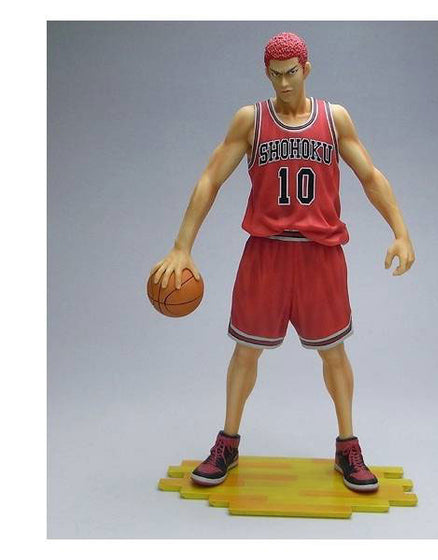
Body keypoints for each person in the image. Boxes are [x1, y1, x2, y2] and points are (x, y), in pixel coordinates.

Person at [150, 32, 415, 493]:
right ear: (266, 74)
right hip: (266, 252)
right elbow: (210, 178)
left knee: (334, 352)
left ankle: (347, 446)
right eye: (275, 75)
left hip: (320, 254)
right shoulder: (251, 119)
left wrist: (401, 231)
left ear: (306, 68)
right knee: (245, 351)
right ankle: (227, 443)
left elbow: (370, 176)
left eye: (291, 72)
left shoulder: (334, 118)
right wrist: (181, 246)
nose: (285, 83)